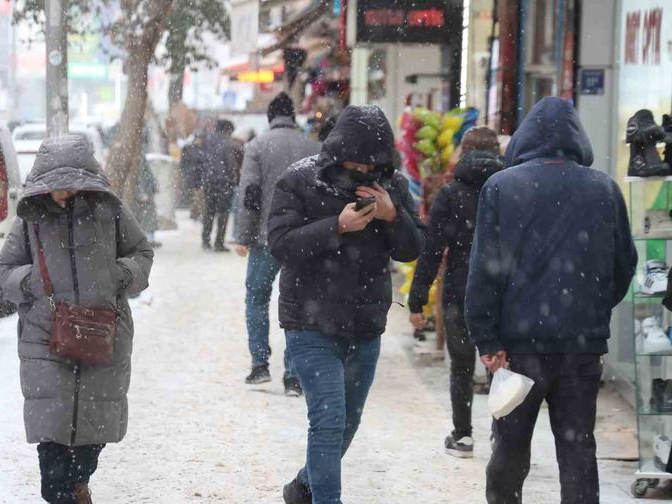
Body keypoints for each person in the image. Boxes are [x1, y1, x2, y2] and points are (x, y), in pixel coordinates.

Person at [465, 97, 637, 504]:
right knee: (578, 450)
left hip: (517, 349)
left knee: (510, 449)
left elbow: (484, 269)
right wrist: (590, 310)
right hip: (581, 347)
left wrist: (486, 339)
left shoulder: (501, 188)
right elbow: (624, 265)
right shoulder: (604, 189)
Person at [269, 105, 424, 504]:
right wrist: (336, 226)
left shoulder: (393, 187)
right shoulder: (300, 180)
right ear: (339, 153)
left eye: (374, 166)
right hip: (309, 320)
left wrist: (393, 216)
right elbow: (281, 244)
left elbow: (412, 249)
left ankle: (304, 487)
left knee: (348, 424)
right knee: (328, 421)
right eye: (357, 164)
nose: (366, 173)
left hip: (366, 323)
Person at [0, 135, 154, 504]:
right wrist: (32, 282)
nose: (64, 192)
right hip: (44, 335)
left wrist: (120, 276)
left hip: (104, 329)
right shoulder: (31, 220)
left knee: (93, 428)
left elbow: (141, 252)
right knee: (51, 434)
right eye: (56, 185)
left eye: (71, 184)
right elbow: (5, 268)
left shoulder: (109, 211)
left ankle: (79, 480)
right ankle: (61, 492)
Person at [407, 126, 504, 459]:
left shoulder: (450, 194)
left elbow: (432, 250)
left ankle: (463, 436)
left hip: (460, 288)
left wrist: (417, 299)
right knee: (500, 364)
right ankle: (501, 436)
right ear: (497, 152)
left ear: (463, 153)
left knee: (461, 366)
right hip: (502, 291)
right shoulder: (511, 190)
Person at [235, 92, 320, 394]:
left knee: (257, 298)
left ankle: (260, 365)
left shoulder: (256, 146)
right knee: (297, 304)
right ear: (293, 116)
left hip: (265, 237)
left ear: (270, 117)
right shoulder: (313, 147)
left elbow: (249, 193)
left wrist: (244, 235)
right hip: (302, 238)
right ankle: (293, 375)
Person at [201, 119, 237, 251]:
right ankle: (219, 242)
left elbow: (203, 161)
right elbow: (230, 164)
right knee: (223, 213)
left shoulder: (208, 142)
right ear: (228, 130)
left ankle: (205, 240)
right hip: (224, 183)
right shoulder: (227, 143)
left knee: (209, 212)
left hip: (209, 182)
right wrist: (232, 179)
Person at [180, 132, 206, 220]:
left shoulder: (203, 149)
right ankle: (196, 213)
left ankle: (195, 212)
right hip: (193, 175)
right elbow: (183, 162)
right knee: (196, 195)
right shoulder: (189, 148)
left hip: (200, 176)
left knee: (198, 195)